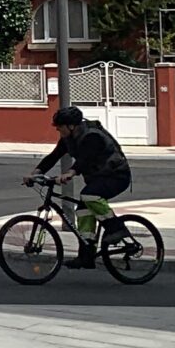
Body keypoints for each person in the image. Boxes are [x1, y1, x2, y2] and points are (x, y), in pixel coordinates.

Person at [31, 104, 131, 262]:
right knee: (83, 211)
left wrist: (71, 172)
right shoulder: (68, 139)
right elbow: (54, 156)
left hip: (117, 176)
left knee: (89, 195)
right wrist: (35, 173)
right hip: (98, 178)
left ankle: (117, 229)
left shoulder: (92, 136)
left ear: (71, 126)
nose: (58, 130)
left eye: (60, 127)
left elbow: (86, 158)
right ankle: (86, 255)